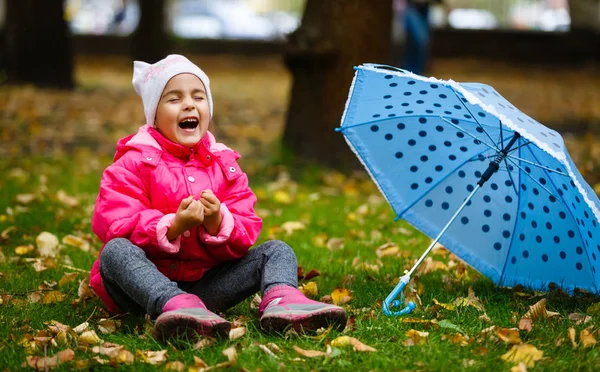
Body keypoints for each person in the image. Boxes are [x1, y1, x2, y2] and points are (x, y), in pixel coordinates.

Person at [89, 54, 347, 343]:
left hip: (205, 290)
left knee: (276, 250)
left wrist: (217, 221)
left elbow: (246, 228)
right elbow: (113, 222)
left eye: (198, 97)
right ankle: (173, 306)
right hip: (141, 289)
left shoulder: (224, 165)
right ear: (154, 114)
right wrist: (172, 225)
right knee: (115, 252)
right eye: (174, 99)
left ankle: (283, 302)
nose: (189, 104)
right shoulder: (134, 162)